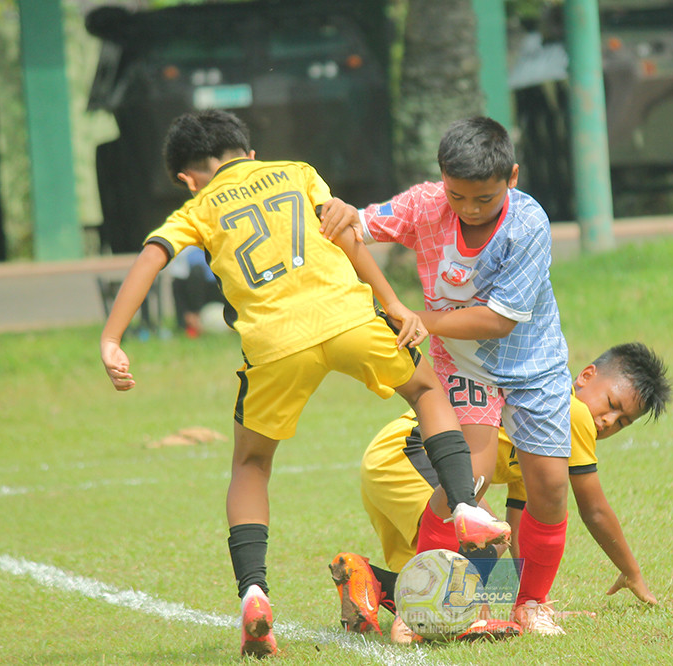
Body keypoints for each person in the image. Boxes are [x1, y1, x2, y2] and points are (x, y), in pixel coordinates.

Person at [98, 109, 509, 658]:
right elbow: (343, 234)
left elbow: (153, 256)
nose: (610, 421)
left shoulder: (198, 206)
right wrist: (390, 303)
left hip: (273, 344)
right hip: (348, 320)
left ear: (186, 178)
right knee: (429, 392)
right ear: (248, 152)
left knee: (250, 465)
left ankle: (253, 591)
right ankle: (468, 520)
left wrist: (111, 337)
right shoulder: (296, 170)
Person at [321, 116, 573, 634]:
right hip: (462, 368)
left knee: (548, 484)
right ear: (441, 180)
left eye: (485, 199)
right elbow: (354, 229)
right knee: (469, 486)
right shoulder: (424, 205)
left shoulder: (528, 224)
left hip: (533, 365)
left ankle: (529, 606)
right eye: (458, 197)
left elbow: (500, 320)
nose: (471, 210)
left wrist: (416, 319)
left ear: (513, 177)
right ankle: (422, 608)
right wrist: (342, 212)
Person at [330, 342, 673, 643]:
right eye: (611, 404)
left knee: (440, 588)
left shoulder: (540, 430)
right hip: (413, 453)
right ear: (585, 376)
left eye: (623, 422)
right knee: (486, 538)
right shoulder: (571, 412)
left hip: (387, 460)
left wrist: (531, 601)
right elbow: (593, 509)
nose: (608, 421)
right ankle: (441, 622)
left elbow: (522, 522)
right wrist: (632, 572)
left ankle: (366, 580)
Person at [167, 245, 224, 337]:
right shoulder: (186, 252)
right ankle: (191, 322)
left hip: (219, 292)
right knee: (196, 272)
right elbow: (178, 286)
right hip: (193, 296)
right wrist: (189, 314)